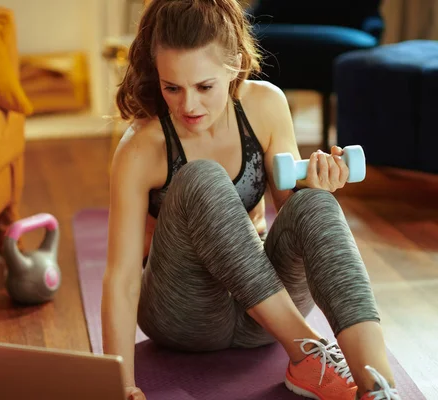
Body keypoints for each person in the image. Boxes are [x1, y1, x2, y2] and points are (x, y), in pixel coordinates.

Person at [102, 1, 401, 399]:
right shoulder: (142, 146)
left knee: (316, 204)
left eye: (204, 86)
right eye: (172, 87)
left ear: (234, 66)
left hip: (263, 315)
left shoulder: (266, 105)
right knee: (201, 177)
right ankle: (308, 352)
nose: (188, 105)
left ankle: (377, 387)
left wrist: (318, 186)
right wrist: (118, 386)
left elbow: (294, 213)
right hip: (184, 315)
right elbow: (121, 277)